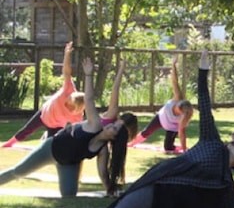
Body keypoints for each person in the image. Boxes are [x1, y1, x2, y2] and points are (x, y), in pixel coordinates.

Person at [50, 51, 234, 208]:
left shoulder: (225, 183)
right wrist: (203, 72)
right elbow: (205, 105)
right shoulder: (212, 142)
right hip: (156, 189)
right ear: (232, 144)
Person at [0, 58, 137, 198]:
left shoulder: (103, 150)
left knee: (69, 196)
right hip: (50, 149)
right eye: (113, 124)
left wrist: (110, 189)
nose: (109, 126)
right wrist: (88, 75)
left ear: (113, 137)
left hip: (68, 164)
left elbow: (102, 172)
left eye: (113, 129)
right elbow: (89, 100)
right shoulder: (95, 124)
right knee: (18, 172)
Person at [2, 42, 85, 148]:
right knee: (27, 130)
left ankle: (46, 136)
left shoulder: (77, 116)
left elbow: (78, 131)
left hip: (55, 125)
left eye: (71, 107)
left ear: (77, 109)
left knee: (50, 146)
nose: (67, 105)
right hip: (44, 114)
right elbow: (66, 71)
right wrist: (67, 54)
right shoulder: (68, 89)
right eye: (69, 101)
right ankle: (9, 143)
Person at [128, 56, 193, 152]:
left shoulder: (183, 117)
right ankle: (131, 143)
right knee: (146, 132)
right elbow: (175, 81)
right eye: (177, 106)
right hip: (161, 117)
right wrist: (173, 65)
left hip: (172, 126)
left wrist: (184, 150)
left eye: (178, 110)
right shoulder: (178, 98)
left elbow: (182, 133)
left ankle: (176, 146)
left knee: (168, 147)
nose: (176, 109)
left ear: (182, 113)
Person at [96, 58, 131, 196]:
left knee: (105, 169)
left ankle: (110, 190)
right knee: (105, 169)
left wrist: (121, 68)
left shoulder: (111, 115)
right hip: (98, 143)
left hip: (95, 142)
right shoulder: (118, 130)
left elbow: (115, 88)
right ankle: (110, 190)